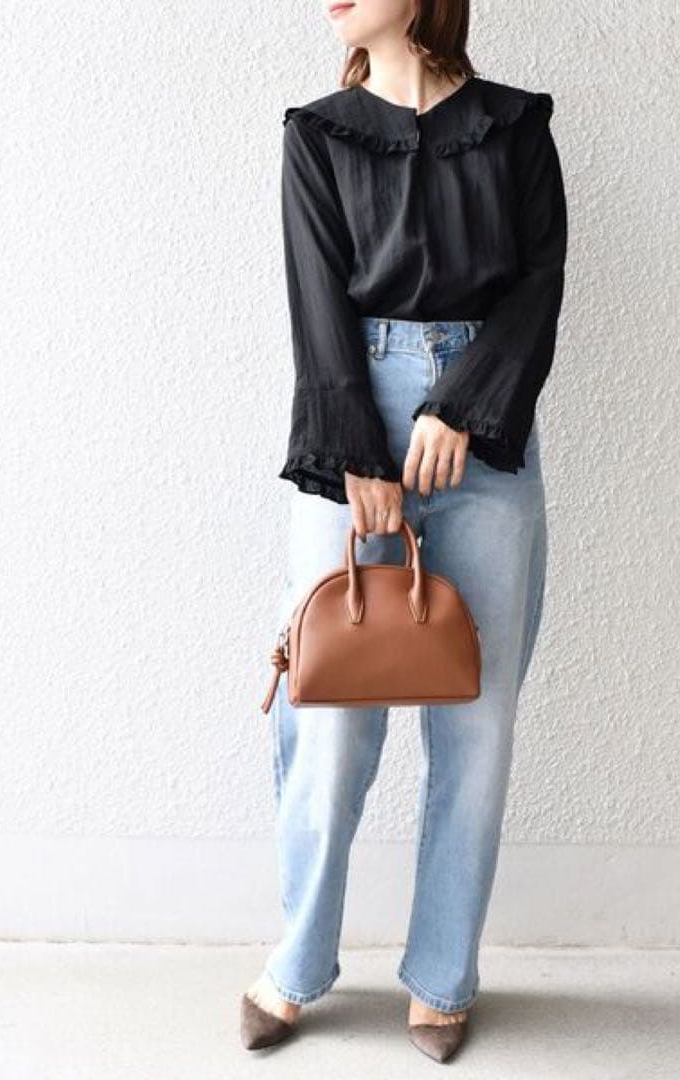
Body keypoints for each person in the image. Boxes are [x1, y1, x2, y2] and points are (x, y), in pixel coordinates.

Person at [242, 0, 567, 1063]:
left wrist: (462, 406)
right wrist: (357, 453)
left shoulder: (516, 126)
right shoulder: (318, 134)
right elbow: (315, 302)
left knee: (477, 719)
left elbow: (539, 284)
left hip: (485, 428)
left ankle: (442, 976)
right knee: (330, 709)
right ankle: (298, 960)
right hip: (355, 411)